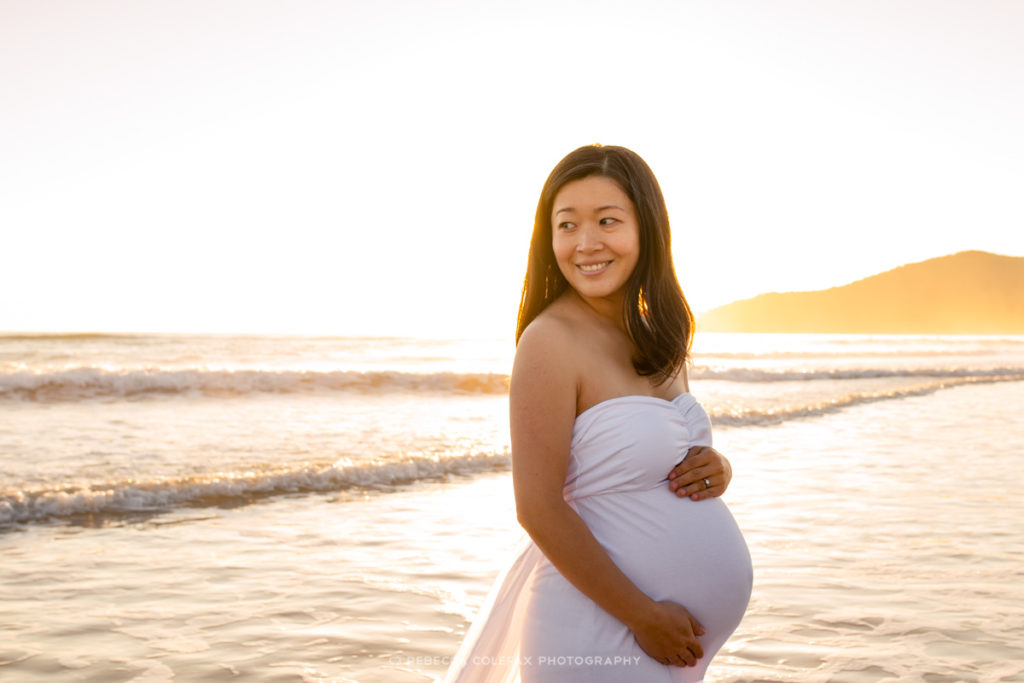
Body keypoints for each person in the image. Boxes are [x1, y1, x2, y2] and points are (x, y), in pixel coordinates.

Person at [443, 145, 752, 683]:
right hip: (599, 628)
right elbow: (537, 508)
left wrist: (716, 466)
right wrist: (643, 616)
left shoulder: (660, 335)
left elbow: (662, 456)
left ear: (646, 229)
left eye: (607, 221)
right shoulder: (549, 342)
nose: (586, 244)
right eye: (567, 225)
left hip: (670, 645)